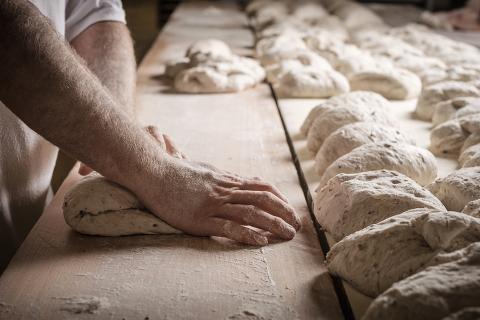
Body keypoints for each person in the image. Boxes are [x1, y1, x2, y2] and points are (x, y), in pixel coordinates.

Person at [0, 0, 300, 273]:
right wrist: (156, 172)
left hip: (30, 228)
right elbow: (7, 28)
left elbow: (97, 14)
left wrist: (121, 136)